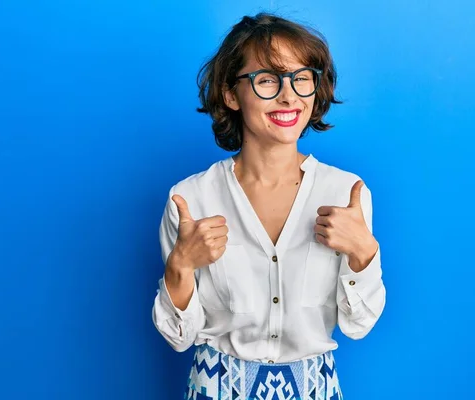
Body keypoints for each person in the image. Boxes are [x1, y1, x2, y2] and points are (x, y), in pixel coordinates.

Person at [152, 12, 386, 400]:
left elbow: (359, 325)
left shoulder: (346, 192)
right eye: (266, 80)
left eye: (302, 78)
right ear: (231, 94)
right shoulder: (191, 199)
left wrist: (364, 253)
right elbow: (178, 337)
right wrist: (180, 265)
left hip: (316, 389)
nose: (289, 95)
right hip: (216, 387)